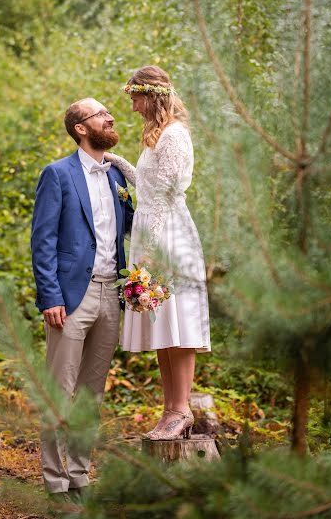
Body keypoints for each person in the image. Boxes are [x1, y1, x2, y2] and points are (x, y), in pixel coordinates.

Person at [31, 98, 133, 496]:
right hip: (71, 299)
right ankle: (55, 484)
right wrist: (50, 296)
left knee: (92, 392)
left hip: (112, 296)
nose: (110, 117)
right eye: (101, 114)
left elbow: (132, 231)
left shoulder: (118, 178)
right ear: (81, 128)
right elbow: (43, 241)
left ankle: (79, 475)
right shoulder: (57, 174)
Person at [105, 66, 210, 441]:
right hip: (151, 235)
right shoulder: (156, 134)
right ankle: (170, 409)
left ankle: (182, 410)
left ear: (151, 96)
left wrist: (150, 257)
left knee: (178, 324)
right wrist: (117, 163)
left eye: (135, 97)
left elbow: (164, 195)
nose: (132, 106)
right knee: (161, 323)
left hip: (168, 239)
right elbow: (149, 186)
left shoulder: (176, 135)